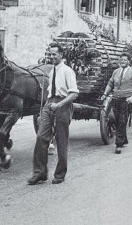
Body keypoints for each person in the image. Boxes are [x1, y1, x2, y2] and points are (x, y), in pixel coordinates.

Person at [28, 43, 79, 185]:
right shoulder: (51, 72)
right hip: (50, 103)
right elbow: (49, 93)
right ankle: (40, 173)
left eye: (54, 54)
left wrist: (59, 105)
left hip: (63, 104)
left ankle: (60, 174)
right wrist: (43, 111)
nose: (52, 57)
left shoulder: (68, 71)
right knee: (41, 137)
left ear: (61, 55)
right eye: (50, 54)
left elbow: (74, 93)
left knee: (61, 140)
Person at [101, 53, 132, 154]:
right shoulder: (116, 72)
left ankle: (118, 144)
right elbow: (110, 84)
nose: (122, 62)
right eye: (121, 60)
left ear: (128, 61)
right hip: (115, 99)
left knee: (122, 120)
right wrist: (105, 94)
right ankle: (124, 139)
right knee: (115, 120)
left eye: (125, 60)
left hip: (126, 100)